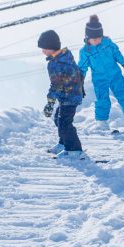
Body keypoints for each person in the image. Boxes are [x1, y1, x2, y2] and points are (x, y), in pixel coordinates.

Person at [77, 15, 124, 132]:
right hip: (100, 79)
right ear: (87, 37)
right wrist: (80, 84)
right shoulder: (85, 52)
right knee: (103, 100)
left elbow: (117, 53)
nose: (97, 41)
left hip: (115, 75)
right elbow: (82, 68)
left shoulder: (107, 43)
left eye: (99, 38)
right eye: (94, 39)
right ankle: (102, 125)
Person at [38, 29, 86, 158]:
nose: (42, 51)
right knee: (58, 119)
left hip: (68, 97)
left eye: (44, 48)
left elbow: (56, 85)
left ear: (50, 47)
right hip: (70, 95)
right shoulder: (66, 57)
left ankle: (74, 150)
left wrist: (50, 102)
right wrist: (80, 89)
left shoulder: (55, 63)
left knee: (65, 123)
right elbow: (79, 73)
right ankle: (63, 143)